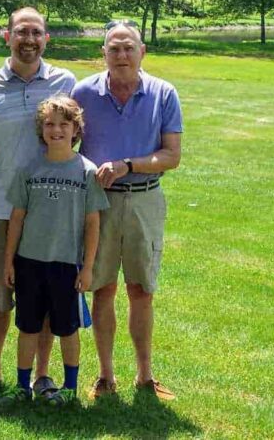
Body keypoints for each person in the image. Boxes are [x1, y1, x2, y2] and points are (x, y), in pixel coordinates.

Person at [0, 7, 76, 396]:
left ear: (46, 39)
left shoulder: (65, 81)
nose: (29, 40)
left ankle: (42, 374)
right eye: (22, 32)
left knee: (43, 295)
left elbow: (74, 140)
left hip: (51, 209)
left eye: (37, 33)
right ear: (7, 36)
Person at [72, 21, 183, 401]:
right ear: (103, 53)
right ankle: (105, 376)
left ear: (142, 52)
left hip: (144, 198)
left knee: (141, 290)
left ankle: (145, 376)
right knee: (101, 288)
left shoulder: (163, 93)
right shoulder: (83, 93)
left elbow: (172, 155)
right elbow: (65, 145)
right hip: (97, 203)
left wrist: (127, 165)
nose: (121, 55)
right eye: (114, 48)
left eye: (128, 48)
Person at [0, 96, 106, 407]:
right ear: (40, 129)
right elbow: (16, 218)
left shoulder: (87, 171)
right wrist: (9, 261)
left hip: (66, 265)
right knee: (28, 326)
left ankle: (69, 389)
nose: (56, 130)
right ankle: (21, 386)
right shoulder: (29, 168)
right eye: (49, 124)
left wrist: (87, 267)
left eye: (63, 124)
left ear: (76, 129)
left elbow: (92, 222)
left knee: (67, 329)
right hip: (29, 262)